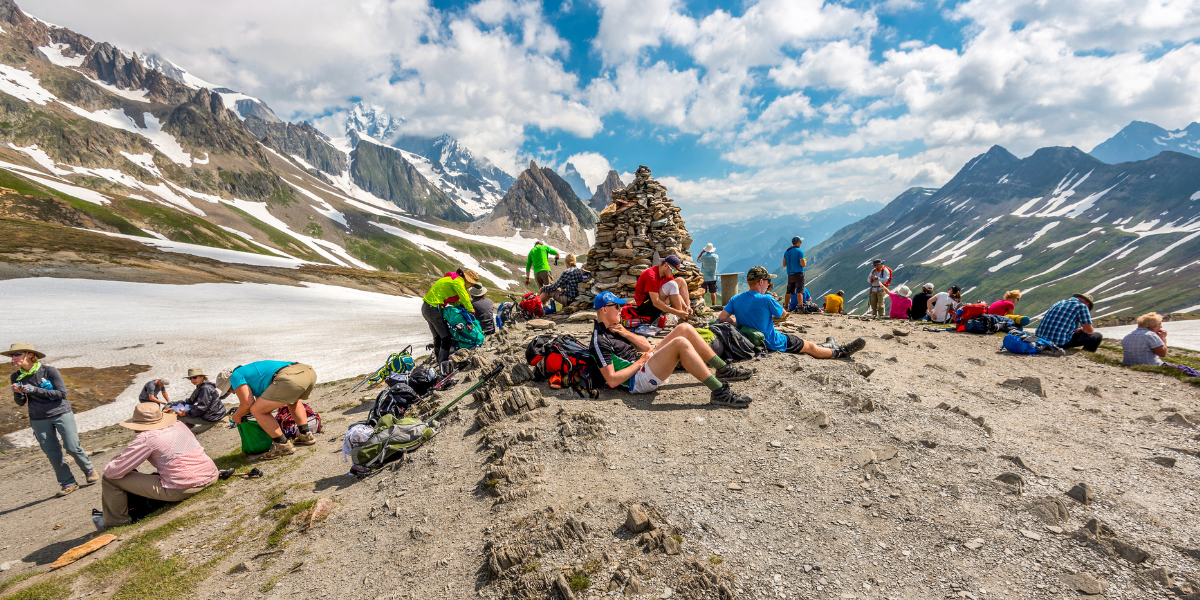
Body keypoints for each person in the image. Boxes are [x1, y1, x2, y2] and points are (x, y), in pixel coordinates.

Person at [590, 292, 755, 407]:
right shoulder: (600, 340)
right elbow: (611, 380)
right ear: (604, 310)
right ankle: (719, 392)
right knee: (680, 343)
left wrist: (626, 333)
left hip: (645, 362)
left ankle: (723, 369)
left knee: (685, 328)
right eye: (616, 307)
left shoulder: (614, 328)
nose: (621, 310)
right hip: (637, 379)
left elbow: (647, 347)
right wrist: (642, 361)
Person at [95, 402, 218, 530]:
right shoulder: (178, 424)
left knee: (110, 479)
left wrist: (117, 459)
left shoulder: (146, 438)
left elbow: (112, 472)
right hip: (211, 474)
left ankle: (116, 522)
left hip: (186, 486)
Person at [5, 343, 96, 497]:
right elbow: (20, 402)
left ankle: (89, 470)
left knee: (72, 447)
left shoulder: (49, 371)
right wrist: (18, 393)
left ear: (31, 355)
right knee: (52, 453)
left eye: (17, 354)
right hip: (38, 418)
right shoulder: (16, 376)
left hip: (61, 413)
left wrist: (35, 390)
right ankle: (68, 483)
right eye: (12, 355)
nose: (14, 358)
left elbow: (61, 394)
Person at [719, 267, 866, 360]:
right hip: (772, 341)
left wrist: (738, 322)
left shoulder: (735, 298)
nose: (769, 284)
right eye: (768, 281)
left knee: (806, 344)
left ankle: (829, 345)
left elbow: (722, 318)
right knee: (809, 347)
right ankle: (841, 352)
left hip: (751, 340)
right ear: (760, 281)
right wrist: (772, 300)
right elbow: (782, 314)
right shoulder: (766, 299)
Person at [218, 361, 318, 460]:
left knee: (256, 410)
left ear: (229, 384)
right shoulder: (250, 373)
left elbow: (247, 403)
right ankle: (305, 435)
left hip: (289, 378)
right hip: (308, 373)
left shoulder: (235, 376)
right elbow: (261, 404)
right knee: (293, 401)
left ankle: (283, 446)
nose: (233, 393)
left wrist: (236, 416)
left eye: (229, 390)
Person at [422, 268, 480, 367]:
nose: (470, 287)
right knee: (446, 338)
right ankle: (443, 365)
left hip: (426, 308)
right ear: (467, 280)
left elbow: (454, 301)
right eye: (471, 284)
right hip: (434, 308)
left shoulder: (452, 279)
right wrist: (470, 309)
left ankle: (438, 360)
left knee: (438, 337)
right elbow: (464, 295)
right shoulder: (458, 281)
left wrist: (461, 305)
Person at [633, 255, 692, 322]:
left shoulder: (667, 274)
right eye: (673, 271)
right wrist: (677, 312)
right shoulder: (651, 276)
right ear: (666, 265)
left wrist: (686, 307)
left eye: (675, 272)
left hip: (653, 303)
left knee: (681, 281)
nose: (674, 274)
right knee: (672, 284)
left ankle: (683, 314)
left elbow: (675, 292)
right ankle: (680, 318)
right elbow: (656, 302)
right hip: (645, 308)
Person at [1036, 293, 1102, 351]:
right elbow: (1088, 331)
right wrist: (1082, 329)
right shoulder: (1082, 306)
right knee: (1097, 336)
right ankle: (1086, 356)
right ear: (1087, 303)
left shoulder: (1059, 302)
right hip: (1057, 343)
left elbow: (1059, 322)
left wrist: (1074, 330)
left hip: (1040, 341)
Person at [172, 368, 226, 434]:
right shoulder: (201, 386)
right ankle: (190, 428)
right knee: (186, 409)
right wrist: (175, 407)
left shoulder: (205, 388)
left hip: (212, 416)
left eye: (194, 377)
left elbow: (202, 408)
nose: (192, 380)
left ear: (202, 377)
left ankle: (185, 434)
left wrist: (185, 413)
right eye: (190, 378)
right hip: (214, 413)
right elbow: (191, 401)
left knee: (179, 416)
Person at [782, 237, 806, 311]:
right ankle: (800, 307)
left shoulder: (787, 252)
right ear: (798, 242)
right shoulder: (800, 251)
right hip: (799, 273)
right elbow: (803, 264)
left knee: (789, 290)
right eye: (801, 241)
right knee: (800, 290)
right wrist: (805, 261)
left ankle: (786, 306)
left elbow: (784, 264)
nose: (801, 243)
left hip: (790, 274)